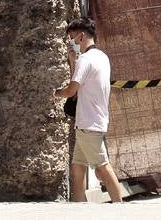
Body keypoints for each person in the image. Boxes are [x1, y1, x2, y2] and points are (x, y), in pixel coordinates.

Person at [53, 17, 125, 203]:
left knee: (102, 168)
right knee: (77, 168)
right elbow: (81, 83)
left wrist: (56, 93)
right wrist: (72, 60)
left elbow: (71, 90)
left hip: (88, 124)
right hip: (93, 121)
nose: (70, 42)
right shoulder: (102, 57)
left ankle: (121, 208)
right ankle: (79, 209)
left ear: (81, 36)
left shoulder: (85, 60)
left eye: (71, 37)